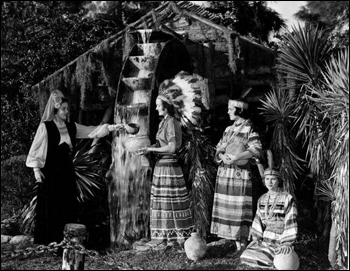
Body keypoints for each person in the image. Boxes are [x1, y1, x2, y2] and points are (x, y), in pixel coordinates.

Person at [26, 89, 127, 246]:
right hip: (50, 172)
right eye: (63, 109)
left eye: (67, 109)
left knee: (66, 204)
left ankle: (65, 242)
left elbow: (92, 131)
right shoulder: (45, 127)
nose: (66, 112)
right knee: (50, 205)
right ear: (55, 110)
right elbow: (36, 149)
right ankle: (48, 242)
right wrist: (36, 170)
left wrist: (113, 127)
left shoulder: (71, 126)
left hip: (66, 171)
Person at [136, 75, 199, 249]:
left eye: (158, 106)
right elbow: (162, 144)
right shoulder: (164, 122)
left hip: (169, 166)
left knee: (170, 201)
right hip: (162, 166)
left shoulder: (172, 122)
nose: (156, 109)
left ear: (166, 106)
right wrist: (147, 149)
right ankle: (165, 237)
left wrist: (151, 150)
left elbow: (171, 148)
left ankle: (175, 238)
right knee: (163, 202)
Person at [210, 98, 262, 257]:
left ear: (240, 110)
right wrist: (222, 155)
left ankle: (243, 244)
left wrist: (237, 156)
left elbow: (256, 149)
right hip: (225, 173)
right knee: (228, 208)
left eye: (230, 108)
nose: (227, 111)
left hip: (239, 174)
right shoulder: (228, 130)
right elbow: (218, 148)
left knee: (239, 207)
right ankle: (236, 243)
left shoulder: (249, 128)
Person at [240, 150, 298, 269]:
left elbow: (291, 220)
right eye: (267, 179)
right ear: (264, 180)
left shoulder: (287, 198)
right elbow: (258, 220)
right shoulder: (262, 199)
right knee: (245, 256)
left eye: (273, 179)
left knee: (276, 259)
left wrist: (287, 243)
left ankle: (276, 256)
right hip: (265, 239)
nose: (270, 182)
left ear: (278, 180)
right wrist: (256, 238)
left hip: (281, 239)